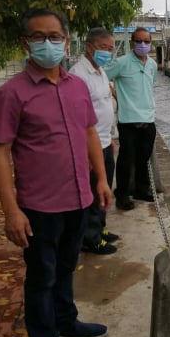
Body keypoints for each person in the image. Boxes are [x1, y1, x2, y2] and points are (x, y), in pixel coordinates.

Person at [0, 8, 111, 337]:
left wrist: (100, 180)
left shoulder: (78, 87)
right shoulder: (11, 94)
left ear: (67, 41)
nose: (48, 43)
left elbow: (90, 133)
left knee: (67, 265)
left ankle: (66, 320)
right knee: (41, 275)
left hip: (79, 197)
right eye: (39, 37)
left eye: (55, 37)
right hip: (39, 205)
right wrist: (11, 211)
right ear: (25, 44)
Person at [69, 27, 119, 255]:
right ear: (89, 47)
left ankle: (100, 228)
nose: (107, 53)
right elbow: (76, 118)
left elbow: (105, 105)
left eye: (110, 49)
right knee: (91, 192)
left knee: (104, 188)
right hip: (91, 146)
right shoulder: (78, 75)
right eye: (102, 48)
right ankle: (90, 238)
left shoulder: (101, 71)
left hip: (105, 141)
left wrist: (112, 136)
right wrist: (85, 151)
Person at [104, 27, 157, 211]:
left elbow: (149, 86)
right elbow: (102, 77)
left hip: (148, 120)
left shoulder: (152, 65)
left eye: (146, 41)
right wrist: (115, 94)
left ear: (151, 43)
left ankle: (141, 190)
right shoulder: (122, 63)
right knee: (126, 161)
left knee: (143, 159)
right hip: (128, 123)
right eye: (139, 41)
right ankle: (122, 195)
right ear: (132, 42)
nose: (143, 45)